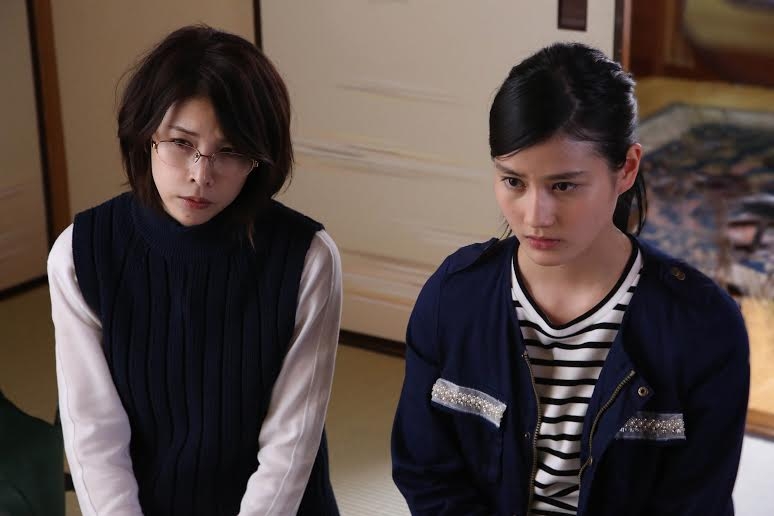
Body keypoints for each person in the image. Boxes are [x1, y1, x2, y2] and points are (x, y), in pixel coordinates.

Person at [391, 42, 750, 516]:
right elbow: (426, 472)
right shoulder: (453, 297)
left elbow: (694, 503)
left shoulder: (703, 325)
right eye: (513, 181)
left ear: (627, 168)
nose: (535, 216)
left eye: (564, 185)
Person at [48, 25, 341, 516]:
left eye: (231, 151)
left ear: (259, 158)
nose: (201, 175)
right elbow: (94, 431)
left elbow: (291, 439)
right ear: (146, 134)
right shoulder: (80, 254)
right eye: (181, 143)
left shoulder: (308, 258)